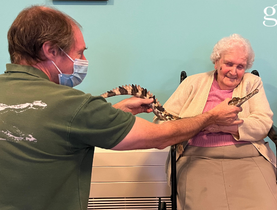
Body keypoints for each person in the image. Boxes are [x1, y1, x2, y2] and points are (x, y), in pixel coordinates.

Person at [0, 6, 242, 210]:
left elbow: (56, 124)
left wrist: (114, 112)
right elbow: (161, 137)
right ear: (51, 50)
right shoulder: (72, 104)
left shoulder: (71, 110)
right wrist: (211, 117)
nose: (83, 61)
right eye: (79, 53)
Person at [156, 34, 277, 210]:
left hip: (247, 157)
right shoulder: (192, 83)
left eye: (240, 66)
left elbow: (263, 123)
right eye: (229, 64)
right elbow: (161, 122)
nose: (234, 71)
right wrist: (199, 123)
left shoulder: (252, 83)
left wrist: (225, 126)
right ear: (216, 63)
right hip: (196, 157)